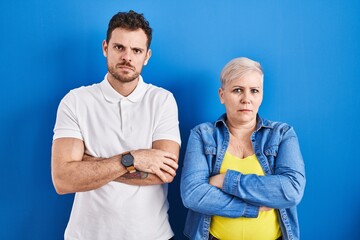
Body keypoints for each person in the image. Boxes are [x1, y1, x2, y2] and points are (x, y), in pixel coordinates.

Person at [51, 10, 181, 240]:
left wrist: (88, 164)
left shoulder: (162, 100)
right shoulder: (75, 101)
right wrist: (132, 158)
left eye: (136, 50)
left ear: (147, 56)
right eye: (119, 47)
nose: (127, 57)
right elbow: (63, 179)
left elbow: (164, 173)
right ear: (105, 47)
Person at [180, 57, 305, 240]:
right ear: (222, 95)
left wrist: (226, 181)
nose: (246, 99)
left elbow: (291, 191)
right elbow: (193, 194)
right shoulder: (202, 135)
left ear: (261, 95)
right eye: (237, 90)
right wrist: (251, 208)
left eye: (254, 91)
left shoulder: (282, 134)